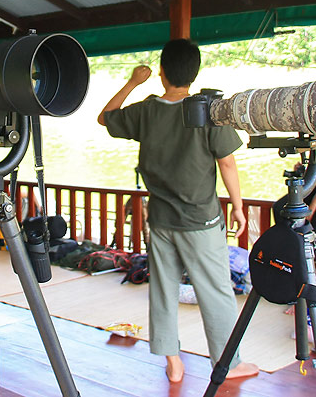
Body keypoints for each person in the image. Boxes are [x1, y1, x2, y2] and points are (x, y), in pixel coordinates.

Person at [98, 39, 259, 383]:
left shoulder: (145, 109)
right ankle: (228, 363)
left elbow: (105, 117)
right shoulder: (208, 110)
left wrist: (131, 82)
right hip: (200, 220)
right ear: (195, 73)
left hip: (161, 219)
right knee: (216, 292)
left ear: (161, 73)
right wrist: (238, 206)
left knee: (164, 289)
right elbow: (227, 163)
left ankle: (173, 362)